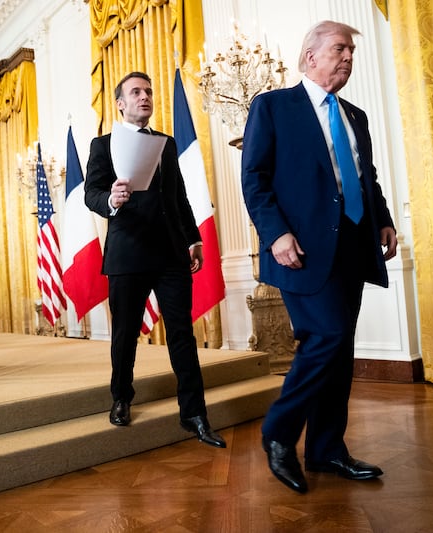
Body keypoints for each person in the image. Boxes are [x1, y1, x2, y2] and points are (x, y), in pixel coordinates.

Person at [241, 20, 398, 493]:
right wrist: (276, 235)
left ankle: (328, 450)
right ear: (310, 56)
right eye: (339, 49)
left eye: (351, 51)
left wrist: (384, 219)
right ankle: (278, 433)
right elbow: (255, 179)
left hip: (352, 244)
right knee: (326, 337)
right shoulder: (272, 107)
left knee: (339, 349)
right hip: (300, 250)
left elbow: (365, 178)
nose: (348, 57)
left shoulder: (355, 116)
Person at [84, 71, 226, 448]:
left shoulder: (166, 143)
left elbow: (178, 197)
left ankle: (194, 413)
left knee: (182, 333)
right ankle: (121, 399)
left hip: (170, 252)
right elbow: (91, 194)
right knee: (125, 334)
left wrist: (193, 238)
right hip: (127, 253)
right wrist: (110, 200)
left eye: (148, 91)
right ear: (120, 103)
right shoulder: (103, 145)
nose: (144, 97)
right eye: (136, 92)